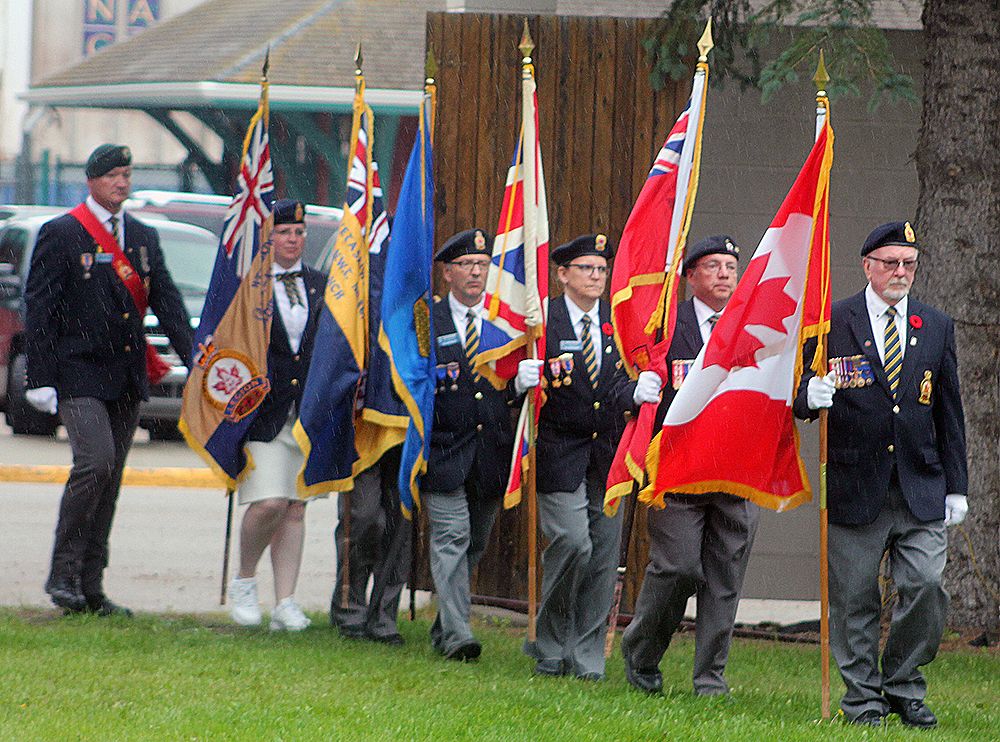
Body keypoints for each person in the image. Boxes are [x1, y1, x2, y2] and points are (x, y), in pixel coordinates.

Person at [794, 221, 968, 728]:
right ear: (867, 265)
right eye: (890, 262)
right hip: (854, 482)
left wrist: (957, 485)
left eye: (909, 263)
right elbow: (797, 387)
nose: (900, 272)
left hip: (920, 484)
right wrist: (809, 395)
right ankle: (862, 699)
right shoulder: (831, 319)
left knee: (926, 585)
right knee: (854, 599)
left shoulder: (935, 325)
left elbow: (949, 411)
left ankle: (903, 685)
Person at [25, 143, 193, 616]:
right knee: (94, 463)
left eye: (128, 173)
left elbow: (168, 302)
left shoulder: (141, 236)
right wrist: (40, 376)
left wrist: (197, 361)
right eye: (115, 174)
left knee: (111, 477)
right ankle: (62, 574)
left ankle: (90, 585)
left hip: (124, 375)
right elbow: (40, 309)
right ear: (93, 180)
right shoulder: (63, 233)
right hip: (77, 373)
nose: (123, 182)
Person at [620, 234, 759, 697]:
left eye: (730, 266)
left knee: (724, 579)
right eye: (713, 265)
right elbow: (635, 377)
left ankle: (710, 679)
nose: (724, 274)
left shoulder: (749, 325)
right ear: (689, 276)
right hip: (677, 473)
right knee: (678, 568)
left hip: (733, 470)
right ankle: (641, 655)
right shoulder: (667, 324)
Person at [520, 233, 642, 681]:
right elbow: (519, 381)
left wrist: (636, 392)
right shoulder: (543, 322)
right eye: (587, 269)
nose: (595, 277)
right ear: (562, 274)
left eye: (601, 270)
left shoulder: (618, 321)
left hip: (608, 454)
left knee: (603, 558)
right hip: (559, 452)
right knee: (573, 542)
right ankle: (550, 642)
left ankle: (586, 656)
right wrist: (521, 380)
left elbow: (622, 381)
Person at [226, 199, 326, 631]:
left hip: (304, 413)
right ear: (269, 237)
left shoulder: (322, 284)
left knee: (295, 508)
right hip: (261, 414)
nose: (292, 240)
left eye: (299, 232)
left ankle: (285, 601)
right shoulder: (250, 287)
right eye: (284, 232)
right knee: (268, 502)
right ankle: (244, 581)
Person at [421, 228, 519, 661]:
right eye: (467, 265)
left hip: (489, 453)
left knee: (474, 542)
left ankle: (445, 624)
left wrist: (519, 384)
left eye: (482, 265)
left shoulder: (503, 322)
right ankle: (460, 636)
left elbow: (508, 386)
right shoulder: (428, 320)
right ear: (447, 273)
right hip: (443, 449)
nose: (477, 272)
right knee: (451, 538)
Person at [331, 446, 410, 645]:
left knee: (399, 524)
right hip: (364, 430)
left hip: (407, 429)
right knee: (364, 518)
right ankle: (349, 607)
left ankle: (384, 617)